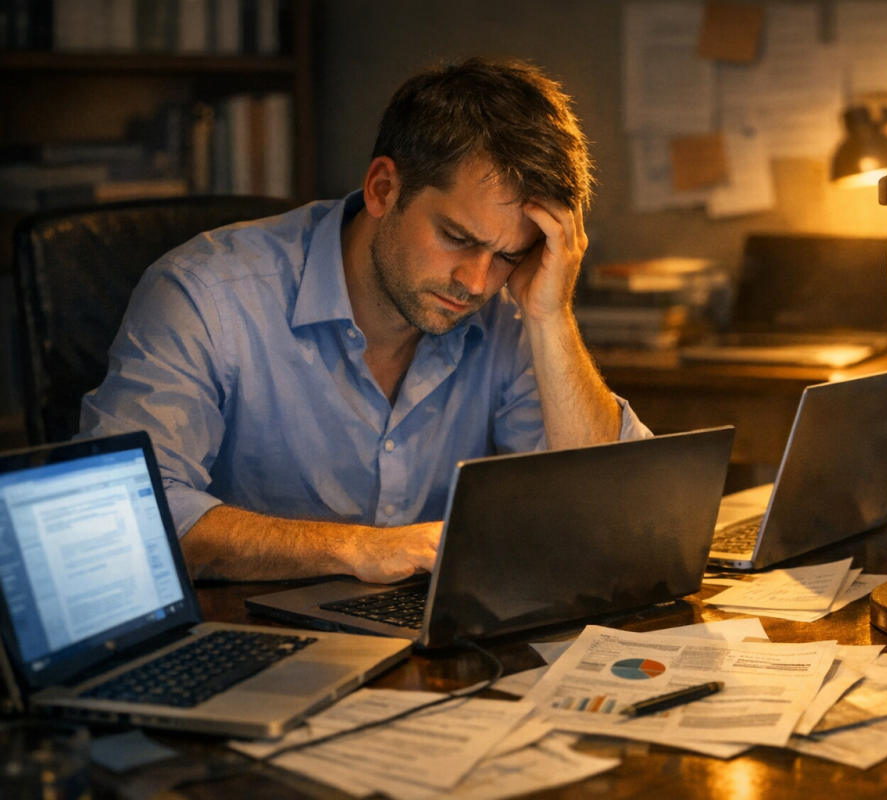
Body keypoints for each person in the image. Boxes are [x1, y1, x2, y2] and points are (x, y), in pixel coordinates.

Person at [79, 58, 652, 584]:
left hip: (417, 653)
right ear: (383, 189)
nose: (477, 282)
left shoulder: (509, 312)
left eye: (507, 255)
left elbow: (616, 514)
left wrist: (551, 316)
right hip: (238, 643)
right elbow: (118, 513)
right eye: (456, 237)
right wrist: (355, 548)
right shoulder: (206, 294)